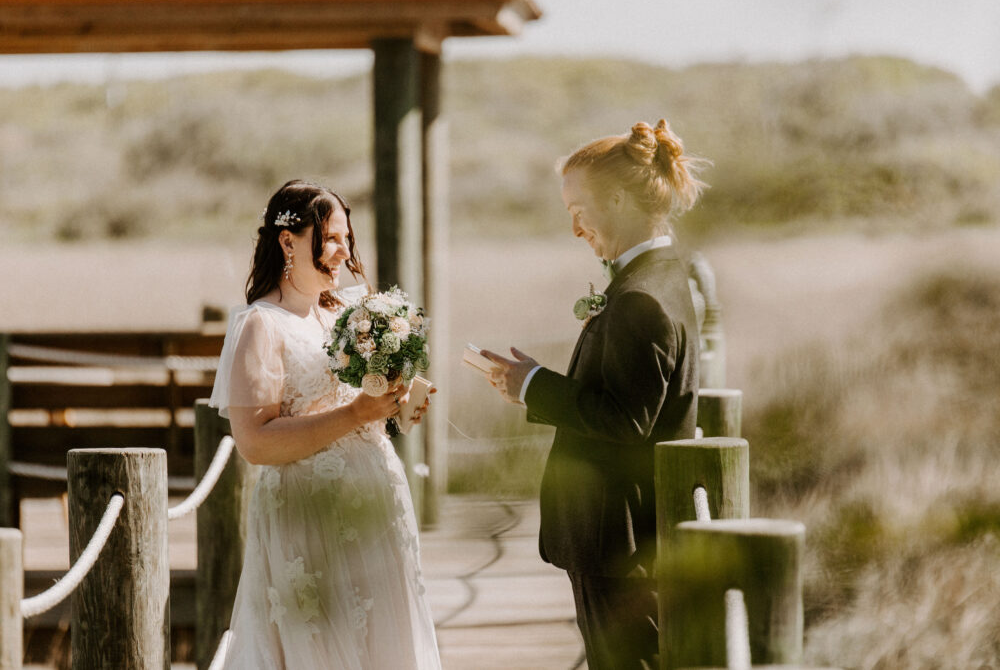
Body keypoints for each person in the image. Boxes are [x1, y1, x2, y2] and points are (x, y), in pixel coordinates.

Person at [482, 120, 707, 669]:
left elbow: (628, 421)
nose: (576, 228)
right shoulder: (659, 277)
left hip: (619, 543)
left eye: (578, 210)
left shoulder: (641, 300)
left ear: (616, 199)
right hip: (623, 540)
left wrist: (533, 386)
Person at [209, 179, 441, 669]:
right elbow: (254, 442)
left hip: (376, 506)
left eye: (347, 239)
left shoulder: (346, 315)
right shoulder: (262, 324)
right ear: (288, 241)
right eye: (331, 238)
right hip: (308, 516)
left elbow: (357, 408)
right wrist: (356, 414)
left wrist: (394, 409)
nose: (343, 250)